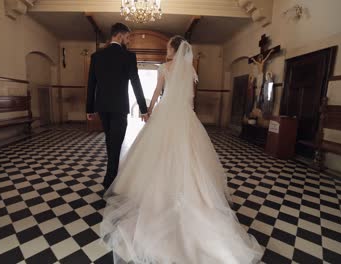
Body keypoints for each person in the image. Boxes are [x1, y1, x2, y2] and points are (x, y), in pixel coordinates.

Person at [100, 35, 264, 264]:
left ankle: (160, 197)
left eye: (168, 47)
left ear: (174, 49)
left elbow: (158, 92)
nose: (166, 50)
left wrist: (149, 111)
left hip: (167, 114)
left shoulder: (165, 67)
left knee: (159, 155)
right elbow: (192, 97)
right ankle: (193, 197)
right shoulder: (190, 70)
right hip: (186, 116)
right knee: (191, 157)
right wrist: (188, 113)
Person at [86, 23, 149, 191]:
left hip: (102, 107)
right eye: (127, 38)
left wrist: (89, 109)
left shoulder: (96, 56)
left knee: (110, 141)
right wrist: (144, 109)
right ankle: (109, 180)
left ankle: (111, 176)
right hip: (120, 107)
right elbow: (136, 84)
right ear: (120, 36)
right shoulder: (128, 57)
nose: (128, 42)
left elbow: (91, 84)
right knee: (115, 144)